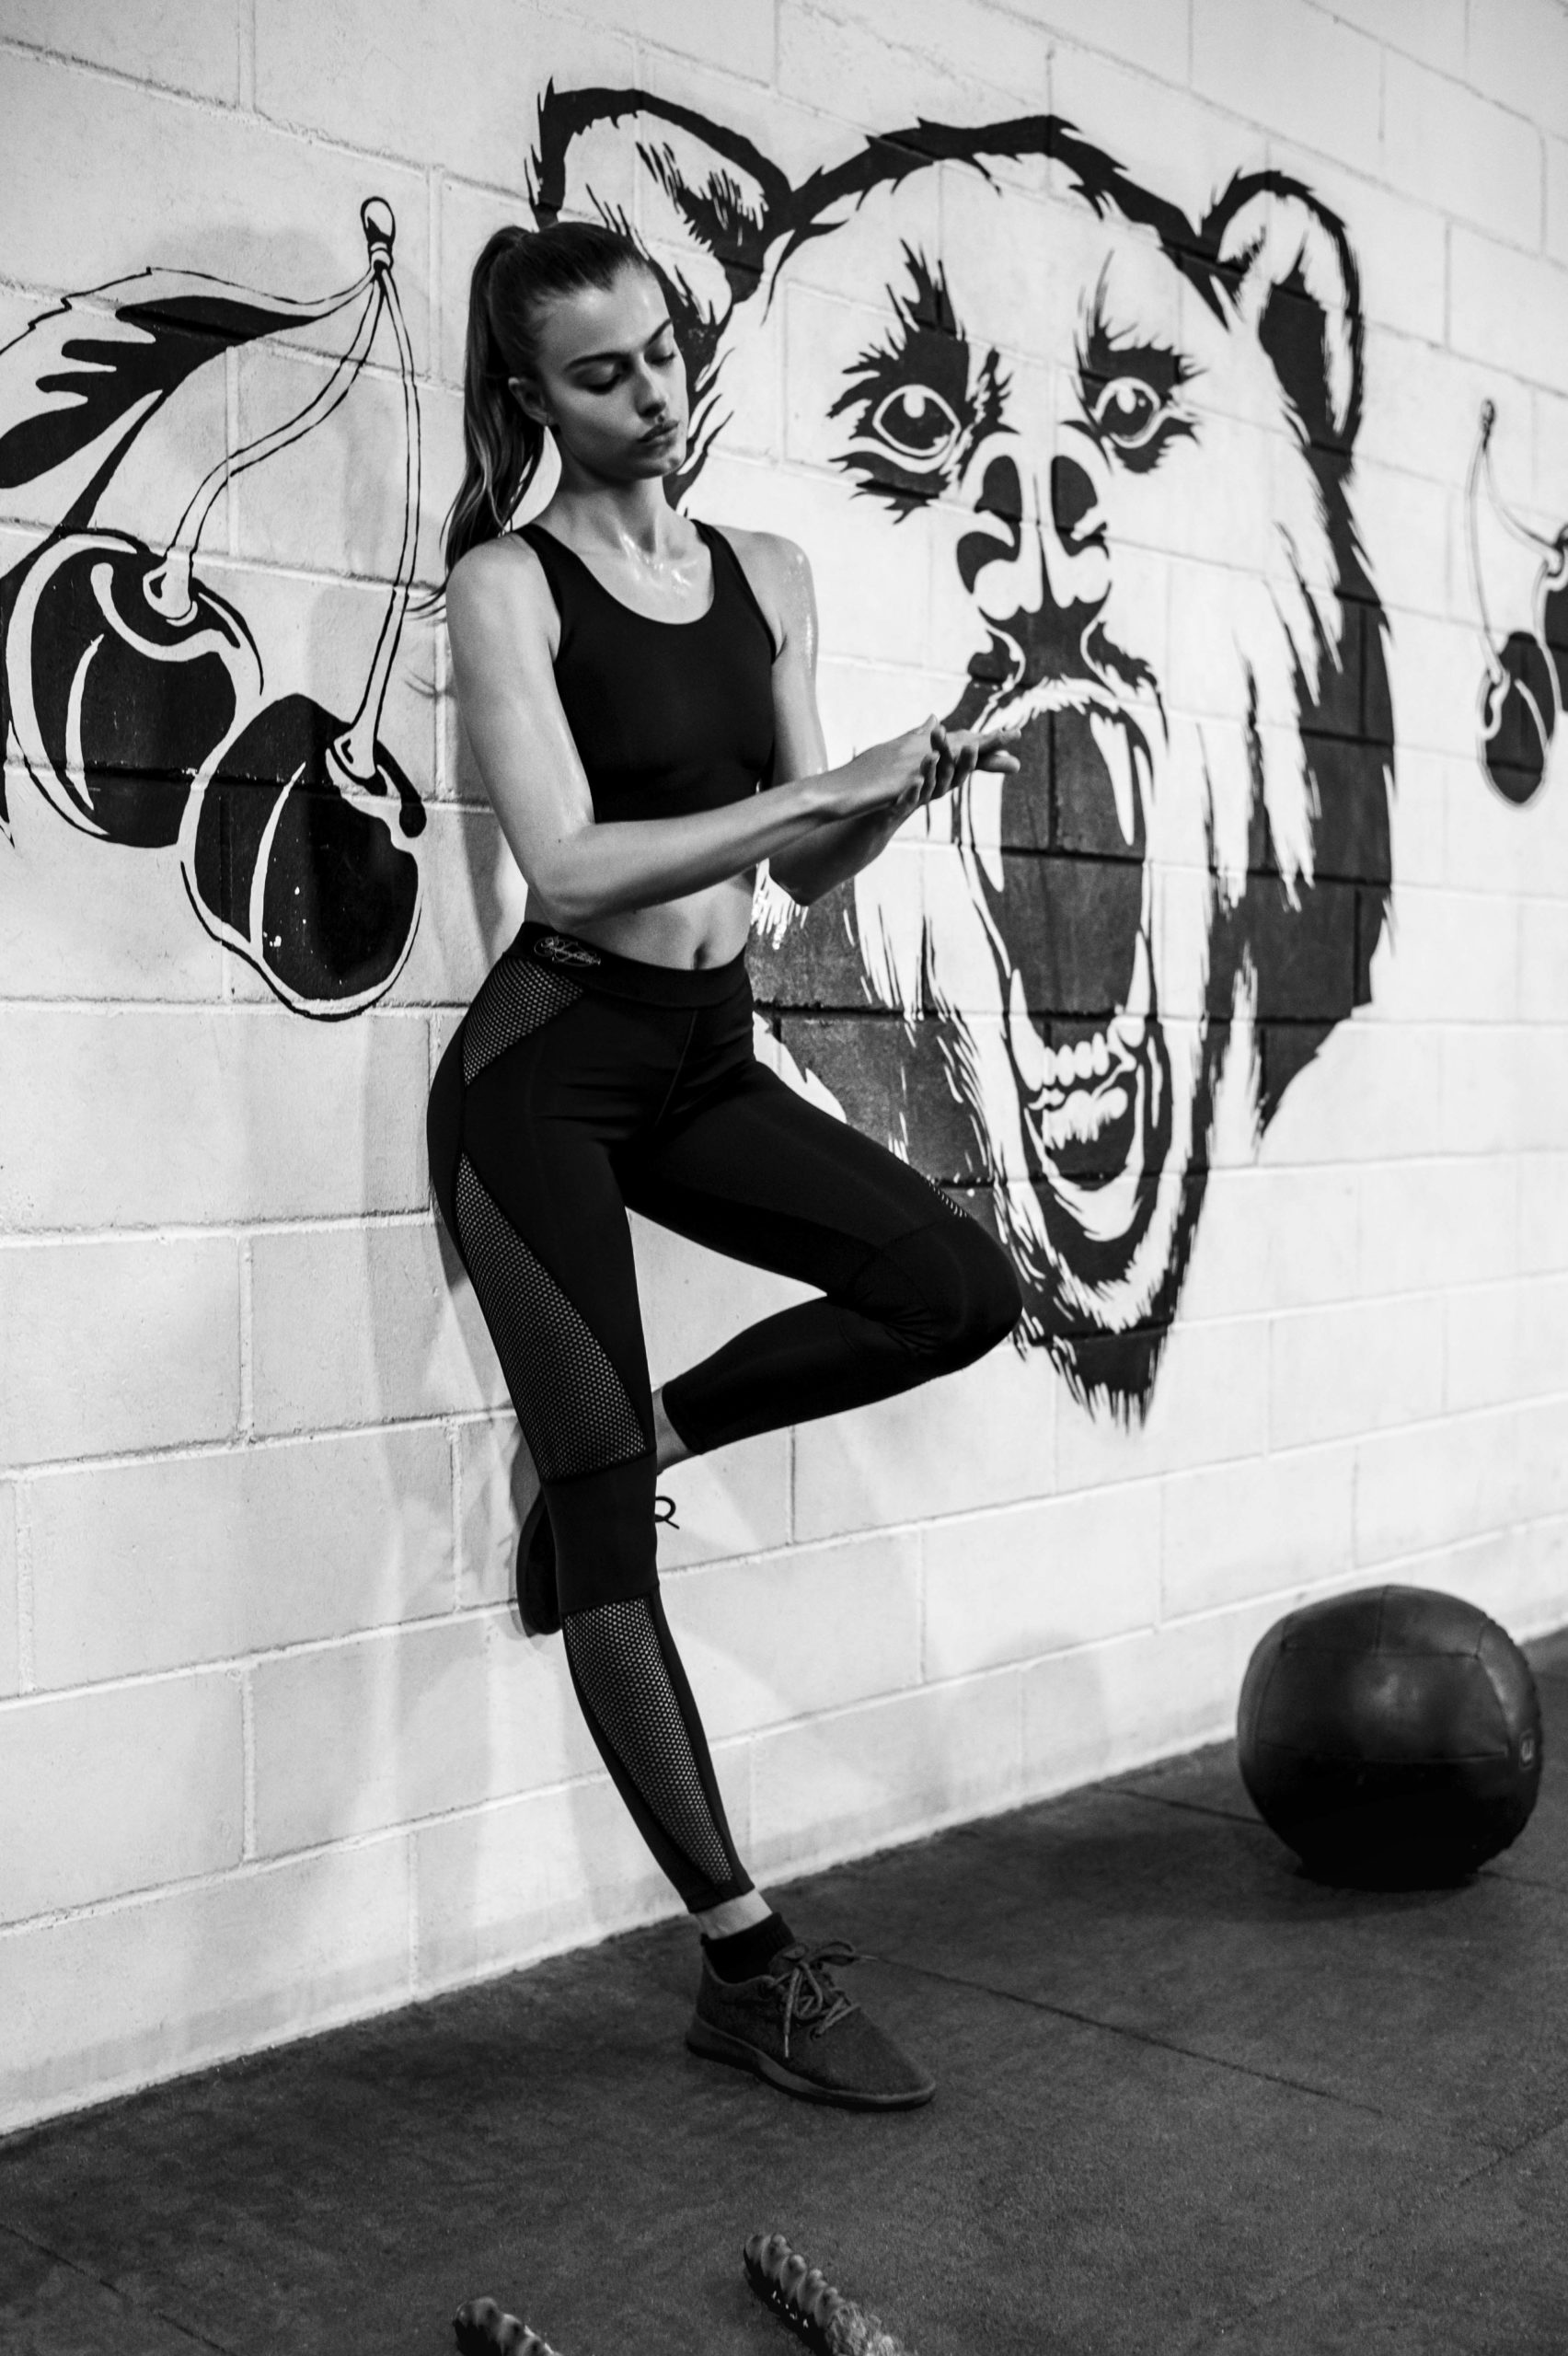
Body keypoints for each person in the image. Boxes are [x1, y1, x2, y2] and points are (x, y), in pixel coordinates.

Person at [428, 220, 1023, 2111]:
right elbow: (572, 864)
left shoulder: (767, 573)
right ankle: (748, 1965)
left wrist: (893, 792)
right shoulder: (507, 588)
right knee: (605, 1536)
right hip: (546, 1076)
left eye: (665, 353)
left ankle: (639, 1443)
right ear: (531, 396)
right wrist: (814, 793)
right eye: (602, 374)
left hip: (702, 1054)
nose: (654, 395)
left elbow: (803, 864)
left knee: (954, 1288)